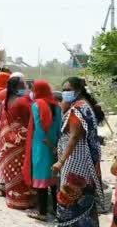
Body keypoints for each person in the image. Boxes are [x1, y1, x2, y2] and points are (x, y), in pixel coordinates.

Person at [53, 77, 107, 226]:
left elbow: (75, 137)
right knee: (82, 196)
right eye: (63, 90)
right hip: (82, 160)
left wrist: (61, 161)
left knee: (71, 196)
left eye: (68, 90)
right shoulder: (84, 106)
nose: (64, 93)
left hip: (75, 161)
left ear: (78, 90)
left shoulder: (77, 109)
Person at [24, 80, 61, 221]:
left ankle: (42, 212)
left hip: (41, 145)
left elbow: (39, 129)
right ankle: (57, 210)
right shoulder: (57, 106)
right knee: (53, 179)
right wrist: (55, 146)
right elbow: (59, 129)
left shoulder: (36, 105)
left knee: (41, 179)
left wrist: (47, 144)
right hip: (55, 145)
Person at [0, 76, 35, 209]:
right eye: (24, 85)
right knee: (21, 169)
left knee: (11, 169)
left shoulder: (6, 100)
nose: (26, 88)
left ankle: (12, 198)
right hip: (20, 140)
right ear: (19, 87)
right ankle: (24, 200)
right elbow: (30, 119)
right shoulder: (22, 102)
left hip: (7, 138)